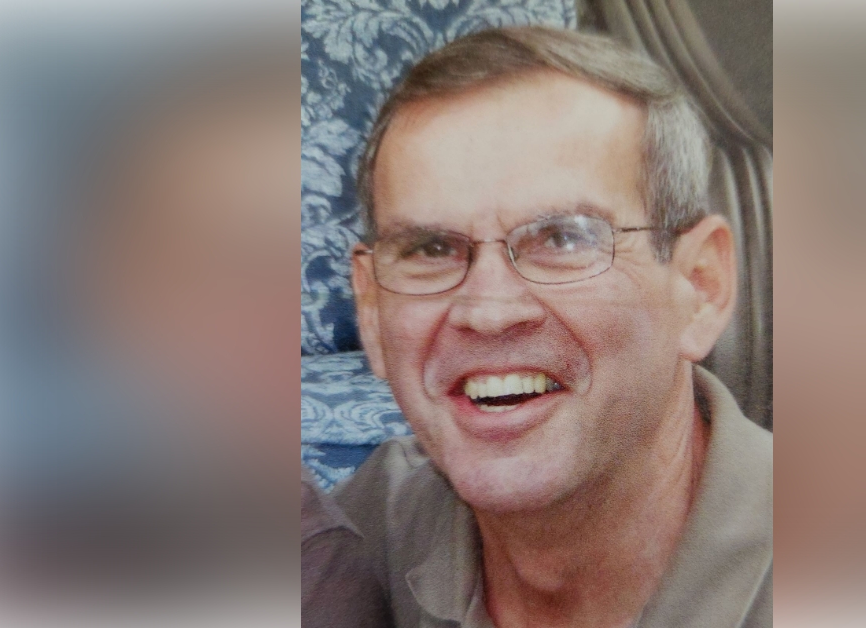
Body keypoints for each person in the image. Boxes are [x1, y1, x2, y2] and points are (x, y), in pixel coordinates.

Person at [302, 26, 771, 628]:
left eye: (563, 239)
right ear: (370, 311)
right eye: (431, 249)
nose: (488, 312)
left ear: (700, 287)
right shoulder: (359, 543)